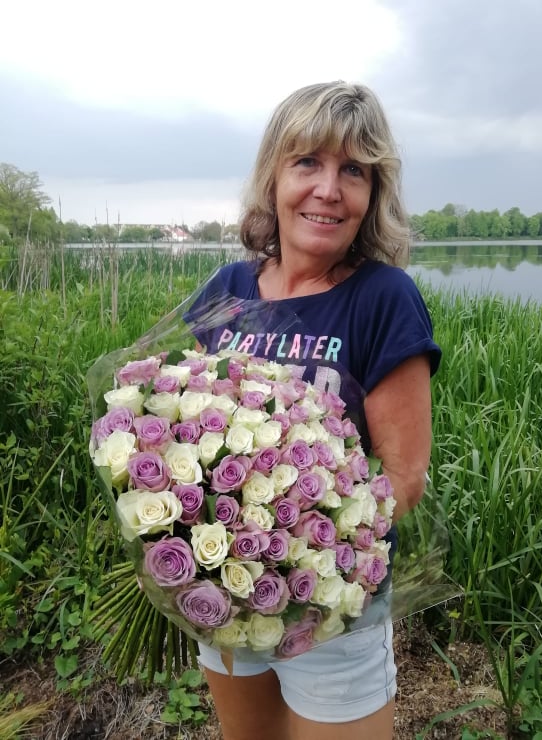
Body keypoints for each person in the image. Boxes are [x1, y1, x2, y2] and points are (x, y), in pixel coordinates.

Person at [193, 80, 441, 740]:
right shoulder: (227, 290)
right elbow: (180, 426)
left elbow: (403, 480)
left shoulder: (383, 299)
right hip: (224, 589)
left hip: (330, 608)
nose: (328, 189)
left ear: (372, 193)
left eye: (353, 170)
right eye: (307, 162)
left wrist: (294, 552)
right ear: (273, 176)